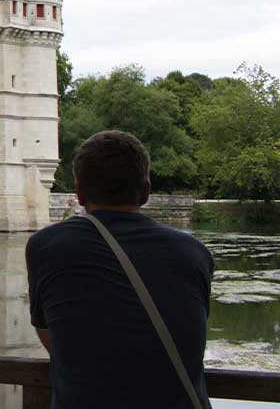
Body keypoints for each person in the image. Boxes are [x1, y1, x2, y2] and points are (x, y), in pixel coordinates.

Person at [26, 130, 214, 408]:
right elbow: (187, 332)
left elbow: (54, 341)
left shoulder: (46, 246)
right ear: (146, 191)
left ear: (78, 193)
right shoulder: (194, 252)